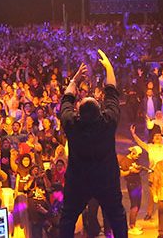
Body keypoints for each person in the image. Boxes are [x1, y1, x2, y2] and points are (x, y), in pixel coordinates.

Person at [58, 51, 127, 238]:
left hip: (78, 180)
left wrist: (74, 79)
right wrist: (109, 68)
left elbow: (67, 99)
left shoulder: (71, 123)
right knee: (117, 217)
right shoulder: (109, 122)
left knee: (68, 218)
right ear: (100, 111)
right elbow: (111, 92)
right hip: (106, 179)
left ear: (78, 113)